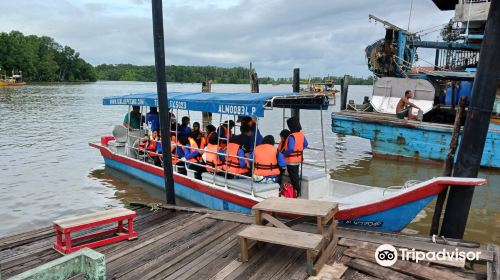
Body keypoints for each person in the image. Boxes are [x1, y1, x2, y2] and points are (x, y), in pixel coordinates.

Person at [282, 117, 308, 196]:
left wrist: (283, 155)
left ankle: (297, 192)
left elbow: (290, 148)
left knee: (294, 178)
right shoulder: (301, 135)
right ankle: (295, 192)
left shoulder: (292, 136)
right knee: (295, 175)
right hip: (298, 159)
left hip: (291, 161)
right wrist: (299, 150)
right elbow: (306, 144)